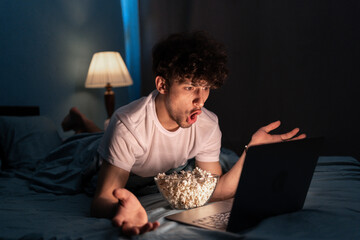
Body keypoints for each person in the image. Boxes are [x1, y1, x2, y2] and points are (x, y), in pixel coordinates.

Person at [62, 31, 306, 236]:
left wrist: (250, 154)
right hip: (100, 159)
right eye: (189, 87)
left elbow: (215, 190)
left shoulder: (208, 124)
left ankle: (87, 125)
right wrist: (122, 207)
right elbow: (101, 201)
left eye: (206, 87)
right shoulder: (128, 124)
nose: (200, 100)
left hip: (157, 171)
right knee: (84, 146)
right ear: (162, 85)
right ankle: (81, 122)